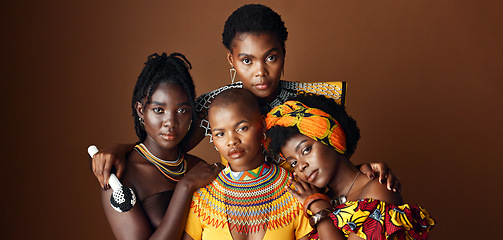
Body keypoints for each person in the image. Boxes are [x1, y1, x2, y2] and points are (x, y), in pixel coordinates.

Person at [91, 3, 399, 194]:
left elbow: (332, 163)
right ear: (232, 59)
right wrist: (118, 149)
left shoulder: (312, 98)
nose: (261, 72)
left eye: (271, 58)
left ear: (283, 54)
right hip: (245, 212)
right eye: (247, 61)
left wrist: (366, 172)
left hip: (307, 216)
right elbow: (164, 146)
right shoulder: (213, 107)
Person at [266, 94, 436, 240]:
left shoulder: (378, 190)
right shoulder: (321, 196)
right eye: (293, 162)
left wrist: (319, 210)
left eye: (306, 150)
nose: (301, 166)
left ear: (332, 139)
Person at [100, 52, 223, 240]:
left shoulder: (199, 167)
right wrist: (185, 187)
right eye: (159, 110)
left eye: (182, 110)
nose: (170, 122)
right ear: (141, 110)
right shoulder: (119, 178)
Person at [182, 88, 312, 240]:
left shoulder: (295, 190)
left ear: (262, 125)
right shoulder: (202, 197)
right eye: (220, 134)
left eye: (242, 128)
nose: (232, 141)